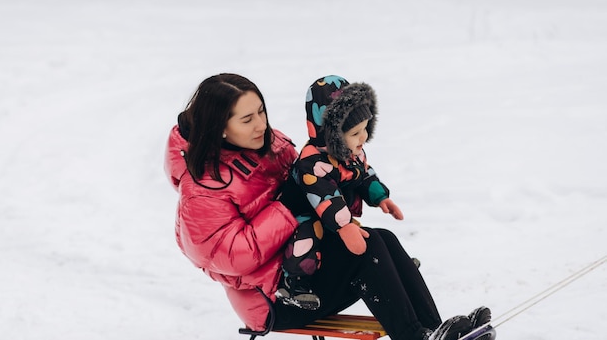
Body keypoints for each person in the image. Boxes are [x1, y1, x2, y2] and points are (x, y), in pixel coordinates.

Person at [164, 73, 491, 340]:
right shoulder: (203, 188)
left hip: (311, 256)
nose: (260, 125)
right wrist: (289, 209)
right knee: (368, 250)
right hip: (279, 295)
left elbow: (317, 182)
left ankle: (435, 330)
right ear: (219, 125)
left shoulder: (271, 143)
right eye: (247, 119)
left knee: (382, 239)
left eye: (261, 112)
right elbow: (229, 257)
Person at [276, 75, 405, 311]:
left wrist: (380, 197)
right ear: (331, 133)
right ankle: (294, 283)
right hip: (305, 215)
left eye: (365, 129)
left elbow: (364, 174)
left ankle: (394, 267)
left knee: (369, 237)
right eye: (356, 133)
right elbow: (325, 196)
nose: (363, 138)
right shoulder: (312, 161)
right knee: (308, 237)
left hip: (334, 216)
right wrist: (344, 225)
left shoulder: (351, 152)